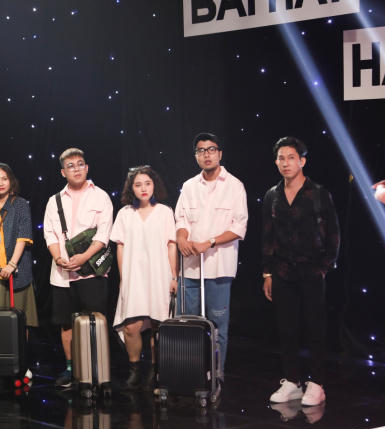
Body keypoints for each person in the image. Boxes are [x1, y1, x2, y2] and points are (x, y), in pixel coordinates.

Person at [262, 136, 340, 406]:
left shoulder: (318, 193)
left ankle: (317, 383)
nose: (286, 163)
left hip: (312, 270)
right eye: (281, 158)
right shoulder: (272, 195)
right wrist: (267, 273)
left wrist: (324, 266)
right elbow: (267, 236)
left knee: (315, 328)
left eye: (291, 158)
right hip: (282, 271)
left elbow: (333, 233)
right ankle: (292, 381)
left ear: (302, 161)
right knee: (287, 329)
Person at [174, 132, 248, 389]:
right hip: (190, 268)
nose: (206, 154)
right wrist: (181, 237)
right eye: (201, 150)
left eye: (211, 149)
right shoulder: (189, 186)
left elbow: (239, 226)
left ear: (220, 153)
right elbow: (181, 219)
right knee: (187, 323)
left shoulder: (235, 186)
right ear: (196, 156)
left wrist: (210, 242)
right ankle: (188, 372)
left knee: (217, 325)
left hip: (219, 267)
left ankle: (216, 372)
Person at [43, 147, 113, 389]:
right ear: (63, 172)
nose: (77, 169)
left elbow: (103, 234)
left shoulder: (101, 196)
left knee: (96, 321)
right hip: (62, 274)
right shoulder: (54, 201)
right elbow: (49, 234)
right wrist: (57, 257)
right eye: (71, 166)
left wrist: (83, 257)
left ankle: (97, 368)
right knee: (66, 323)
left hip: (92, 271)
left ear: (87, 167)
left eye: (80, 164)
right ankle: (71, 368)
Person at [110, 166, 177, 390]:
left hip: (159, 274)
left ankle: (156, 371)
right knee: (131, 326)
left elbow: (171, 245)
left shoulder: (165, 212)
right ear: (132, 188)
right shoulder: (125, 213)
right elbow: (120, 247)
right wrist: (123, 278)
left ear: (154, 184)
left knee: (159, 325)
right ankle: (135, 369)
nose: (143, 188)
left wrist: (174, 276)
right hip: (134, 275)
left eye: (147, 183)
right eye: (138, 185)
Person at [0, 163, 39, 326]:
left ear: (11, 181)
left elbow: (23, 237)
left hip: (16, 272)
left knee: (18, 322)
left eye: (4, 179)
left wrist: (12, 264)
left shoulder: (20, 204)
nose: (1, 183)